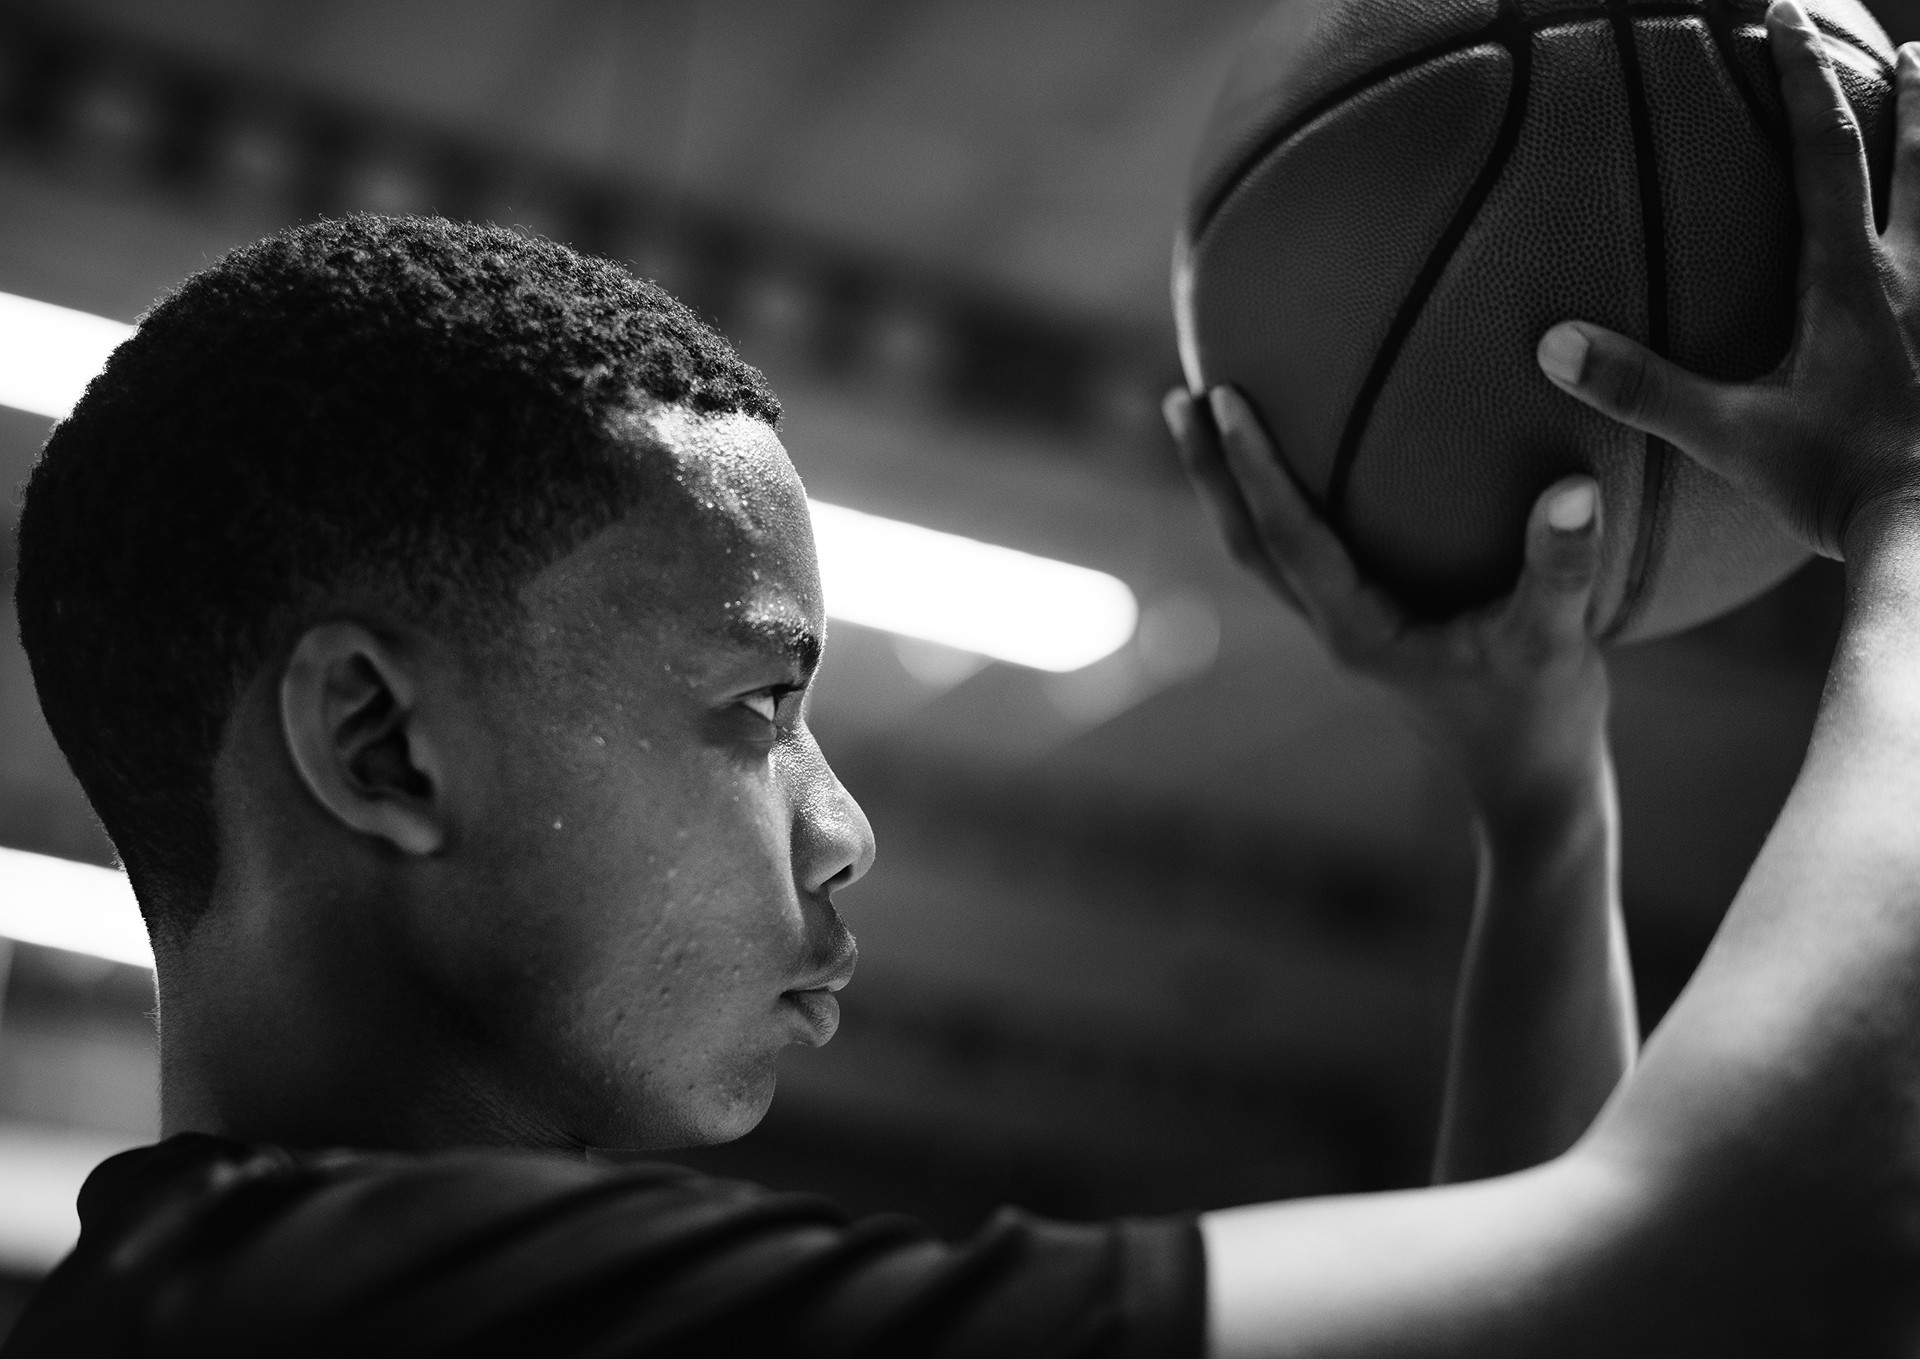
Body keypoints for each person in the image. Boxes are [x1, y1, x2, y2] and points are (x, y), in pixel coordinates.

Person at [1, 1, 1915, 1353]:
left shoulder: (212, 1298)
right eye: (758, 707)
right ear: (374, 740)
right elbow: (1736, 1270)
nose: (841, 833)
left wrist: (1536, 781)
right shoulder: (406, 1301)